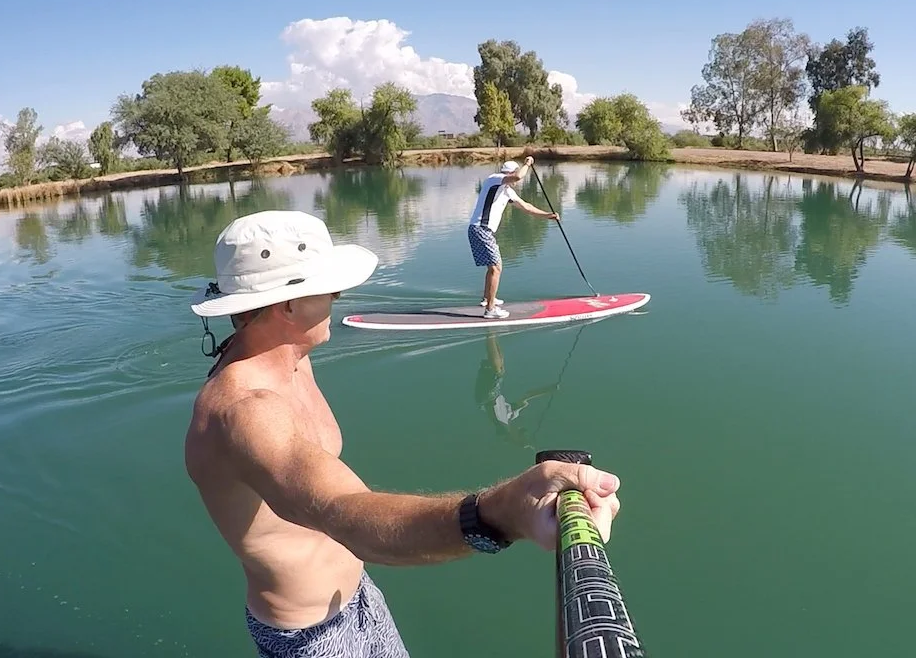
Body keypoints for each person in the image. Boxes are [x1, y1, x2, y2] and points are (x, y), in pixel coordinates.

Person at [184, 209, 621, 658]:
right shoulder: (245, 413)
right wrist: (504, 513)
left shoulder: (290, 355)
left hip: (359, 598)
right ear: (288, 304)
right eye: (327, 286)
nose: (337, 293)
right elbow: (347, 514)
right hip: (312, 637)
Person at [467, 156, 559, 319]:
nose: (518, 181)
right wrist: (527, 164)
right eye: (515, 174)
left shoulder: (507, 191)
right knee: (496, 267)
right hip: (481, 229)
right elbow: (518, 176)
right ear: (510, 172)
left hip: (483, 231)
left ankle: (487, 299)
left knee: (492, 267)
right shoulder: (494, 180)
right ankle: (490, 310)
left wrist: (548, 216)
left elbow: (527, 207)